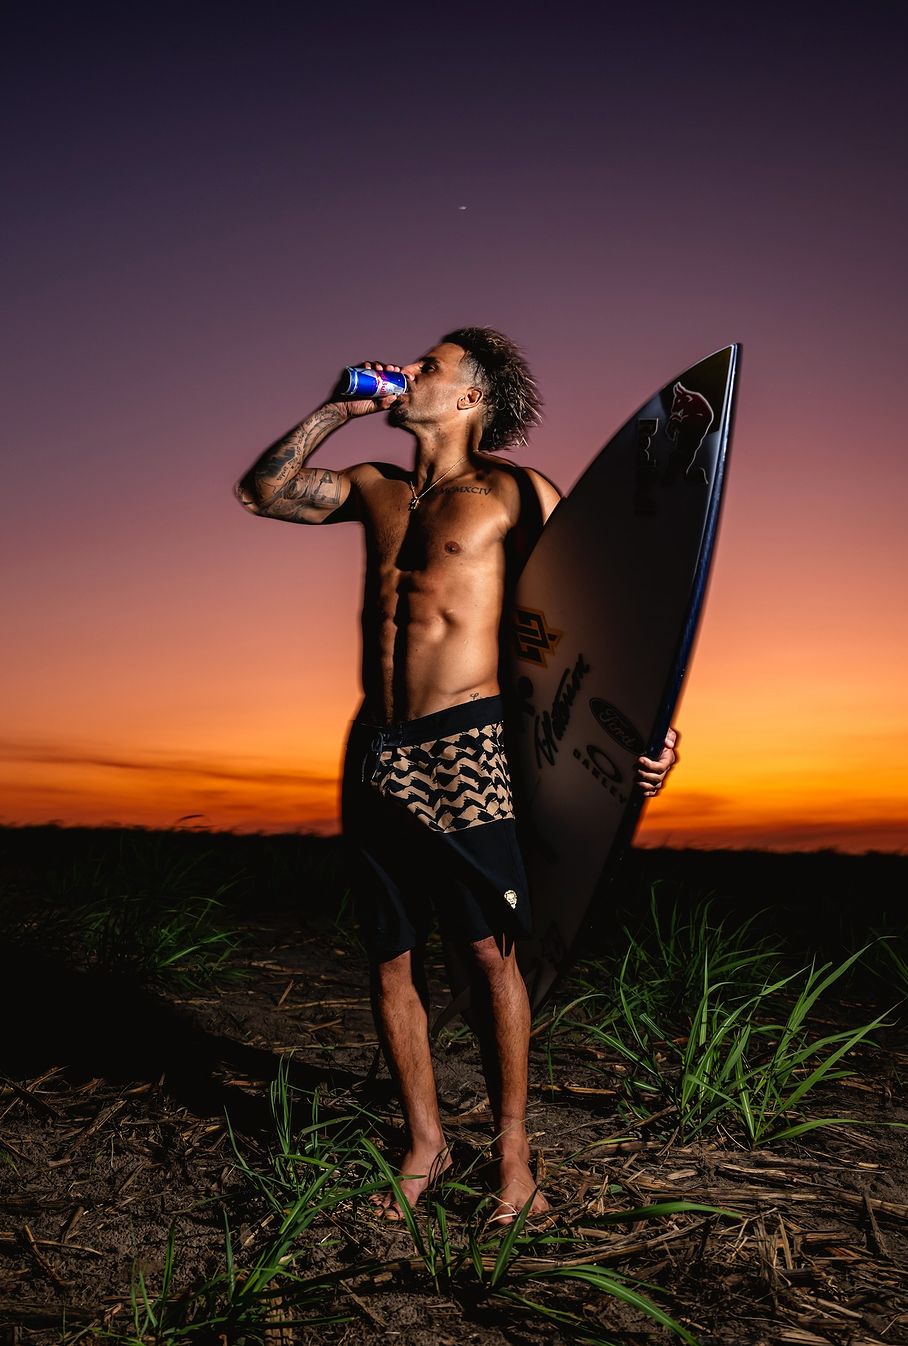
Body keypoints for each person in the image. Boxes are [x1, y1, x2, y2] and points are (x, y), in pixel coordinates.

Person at [236, 328, 678, 1222]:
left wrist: (646, 728)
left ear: (471, 397)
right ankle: (426, 1145)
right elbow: (262, 493)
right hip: (377, 745)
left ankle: (515, 1157)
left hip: (467, 742)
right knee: (389, 957)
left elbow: (593, 618)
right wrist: (338, 406)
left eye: (429, 367)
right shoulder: (376, 488)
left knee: (487, 954)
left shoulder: (517, 491)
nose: (409, 370)